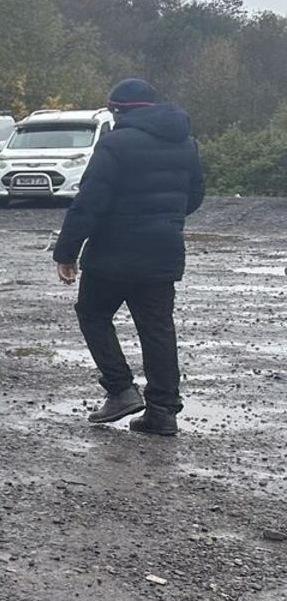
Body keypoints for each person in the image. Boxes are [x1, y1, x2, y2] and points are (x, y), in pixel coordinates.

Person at [52, 78, 205, 435]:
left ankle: (120, 389)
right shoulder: (186, 144)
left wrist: (67, 252)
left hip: (112, 252)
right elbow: (195, 194)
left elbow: (89, 203)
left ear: (119, 109)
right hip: (163, 250)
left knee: (92, 314)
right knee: (157, 330)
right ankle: (163, 412)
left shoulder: (115, 144)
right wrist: (165, 218)